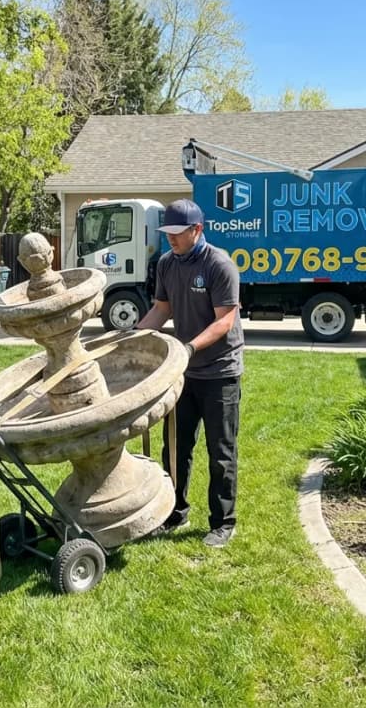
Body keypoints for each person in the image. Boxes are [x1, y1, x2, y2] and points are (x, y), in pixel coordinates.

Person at [137, 198, 244, 548]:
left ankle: (223, 522)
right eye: (167, 232)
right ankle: (174, 513)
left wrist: (189, 348)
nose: (171, 239)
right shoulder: (167, 264)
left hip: (220, 373)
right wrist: (134, 338)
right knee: (176, 448)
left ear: (197, 230)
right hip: (183, 374)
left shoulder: (219, 264)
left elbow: (224, 320)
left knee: (221, 452)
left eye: (178, 233)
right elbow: (161, 310)